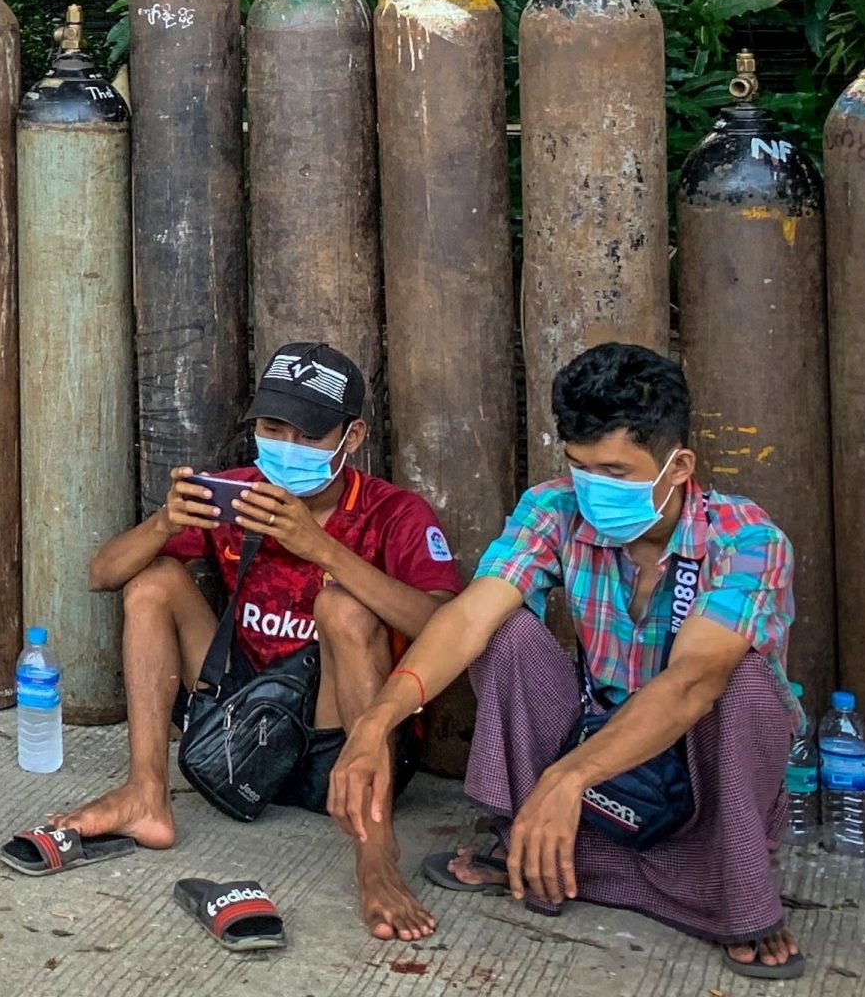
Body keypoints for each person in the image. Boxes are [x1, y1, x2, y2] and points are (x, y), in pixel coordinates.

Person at [328, 343, 804, 980]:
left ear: (679, 465)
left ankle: (736, 888)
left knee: (743, 680)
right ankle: (526, 845)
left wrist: (567, 779)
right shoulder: (554, 507)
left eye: (615, 472)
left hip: (692, 761)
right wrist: (375, 721)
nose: (594, 491)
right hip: (595, 735)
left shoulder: (748, 540)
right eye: (581, 469)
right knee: (505, 632)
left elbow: (693, 684)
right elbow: (468, 618)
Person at [43, 342, 461, 940]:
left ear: (354, 435)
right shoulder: (236, 494)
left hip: (340, 738)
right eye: (272, 428)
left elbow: (445, 627)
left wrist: (324, 551)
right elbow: (102, 574)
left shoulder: (394, 513)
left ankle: (376, 849)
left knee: (343, 606)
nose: (285, 448)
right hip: (239, 726)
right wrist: (166, 522)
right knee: (153, 583)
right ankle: (145, 794)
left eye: (309, 435)